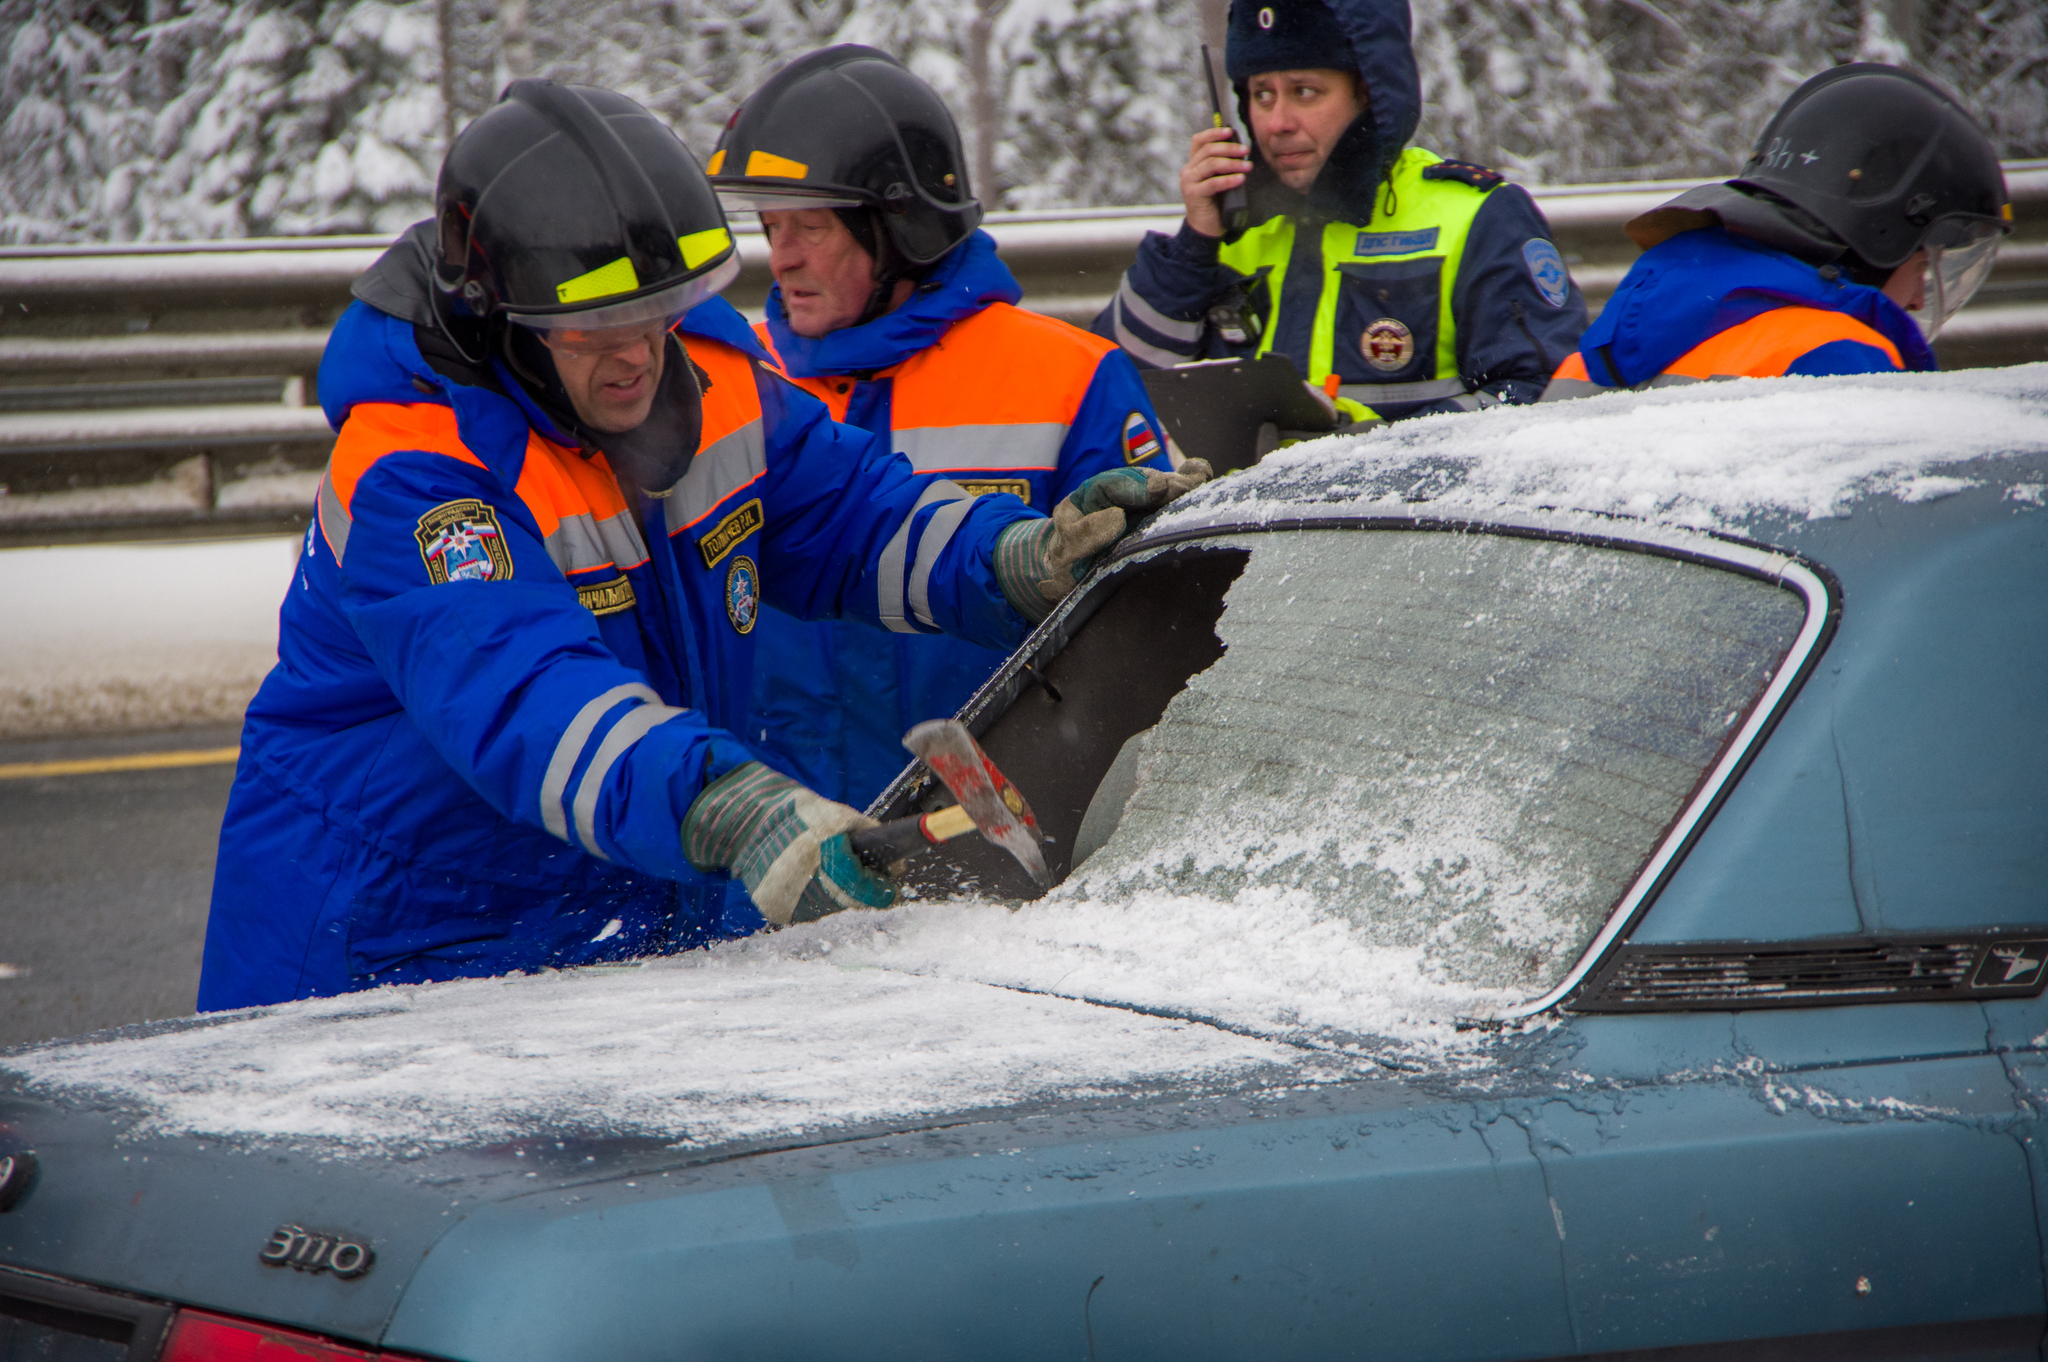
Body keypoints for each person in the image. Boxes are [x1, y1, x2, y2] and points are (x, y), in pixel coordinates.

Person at [198, 81, 1205, 1010]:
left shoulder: (714, 377)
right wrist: (724, 801)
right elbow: (528, 700)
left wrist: (1014, 560)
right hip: (395, 947)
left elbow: (860, 519)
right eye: (593, 328)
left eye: (655, 314)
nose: (638, 353)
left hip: (601, 923)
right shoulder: (417, 472)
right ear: (496, 318)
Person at [707, 45, 1187, 811]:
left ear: (902, 228)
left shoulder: (1071, 379)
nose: (782, 258)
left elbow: (1141, 650)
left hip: (1000, 862)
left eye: (811, 228)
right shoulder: (728, 389)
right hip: (783, 871)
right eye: (770, 226)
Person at [1095, 0, 1587, 423]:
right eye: (1262, 94)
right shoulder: (1225, 233)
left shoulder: (1476, 216)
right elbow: (1111, 403)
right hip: (1241, 533)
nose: (1278, 122)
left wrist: (1362, 454)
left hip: (1399, 529)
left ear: (1368, 92)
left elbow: (1541, 398)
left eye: (1305, 91)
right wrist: (1192, 246)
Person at [1543, 64, 2010, 397]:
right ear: (1880, 237)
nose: (1918, 300)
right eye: (1922, 265)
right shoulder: (1839, 359)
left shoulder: (1600, 349)